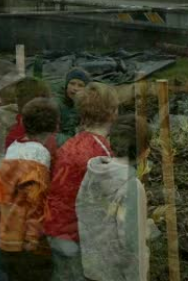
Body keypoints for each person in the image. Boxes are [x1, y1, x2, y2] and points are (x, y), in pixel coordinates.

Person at [44, 82, 119, 281]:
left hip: (56, 226)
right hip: (75, 233)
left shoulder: (72, 142)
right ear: (113, 113)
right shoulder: (101, 152)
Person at [0, 98, 60, 281]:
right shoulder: (38, 158)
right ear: (54, 127)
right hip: (25, 240)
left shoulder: (13, 149)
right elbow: (36, 204)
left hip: (6, 231)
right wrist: (33, 240)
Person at [76, 113, 151, 281]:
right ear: (145, 151)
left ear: (111, 142)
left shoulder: (94, 171)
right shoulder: (132, 186)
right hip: (118, 274)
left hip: (92, 266)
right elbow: (131, 242)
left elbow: (83, 211)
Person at [56, 68, 91, 147]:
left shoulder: (88, 105)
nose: (75, 88)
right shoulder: (57, 104)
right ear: (66, 85)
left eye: (80, 85)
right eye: (72, 83)